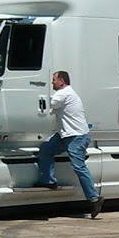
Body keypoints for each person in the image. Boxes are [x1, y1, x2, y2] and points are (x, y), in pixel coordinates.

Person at [37, 70, 102, 218]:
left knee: (78, 166)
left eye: (54, 80)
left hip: (76, 136)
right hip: (65, 135)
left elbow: (45, 105)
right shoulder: (67, 93)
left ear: (62, 81)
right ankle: (49, 181)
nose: (52, 82)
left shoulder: (64, 93)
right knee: (46, 149)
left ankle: (94, 199)